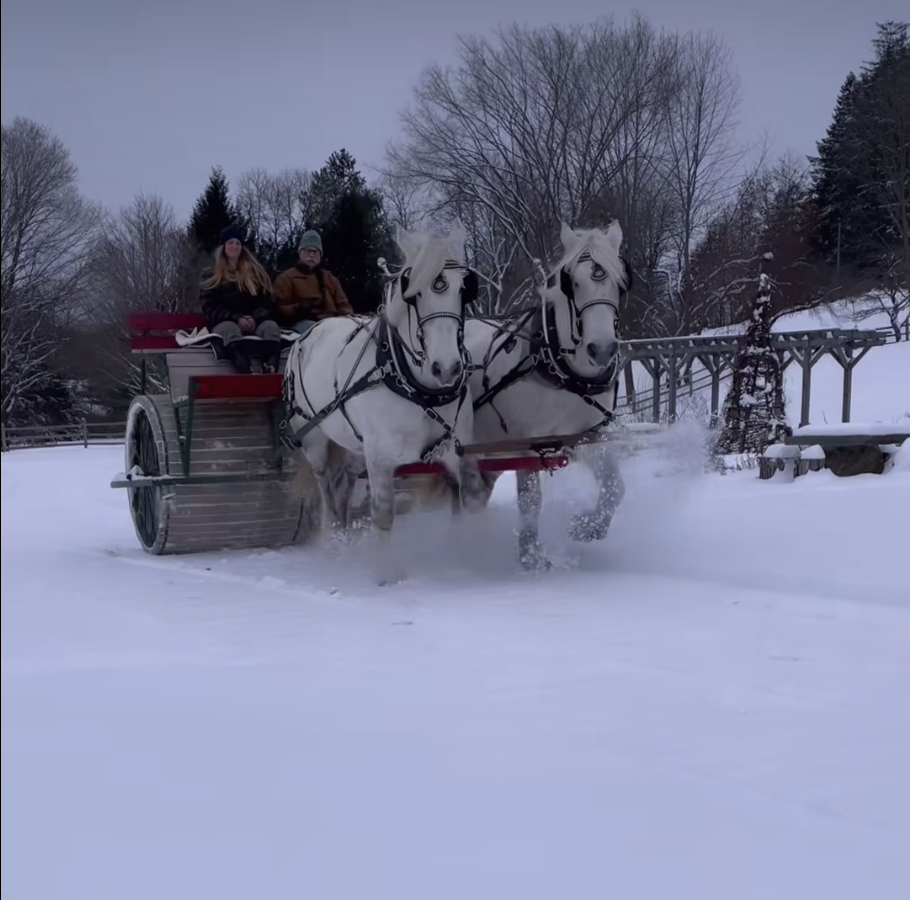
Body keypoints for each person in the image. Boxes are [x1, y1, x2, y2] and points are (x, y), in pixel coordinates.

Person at [199, 225, 282, 374]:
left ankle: (270, 368)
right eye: (230, 243)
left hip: (254, 321)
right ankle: (245, 371)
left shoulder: (256, 274)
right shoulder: (211, 275)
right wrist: (236, 319)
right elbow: (209, 308)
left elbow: (268, 303)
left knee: (271, 327)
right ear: (223, 247)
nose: (234, 246)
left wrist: (255, 319)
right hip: (225, 322)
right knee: (230, 330)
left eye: (238, 243)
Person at [273, 230, 354, 336]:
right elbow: (279, 307)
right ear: (300, 252)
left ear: (320, 256)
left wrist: (346, 317)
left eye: (315, 252)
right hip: (302, 323)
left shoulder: (329, 278)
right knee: (318, 332)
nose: (311, 254)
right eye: (308, 250)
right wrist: (298, 309)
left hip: (332, 322)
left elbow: (343, 304)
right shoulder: (287, 278)